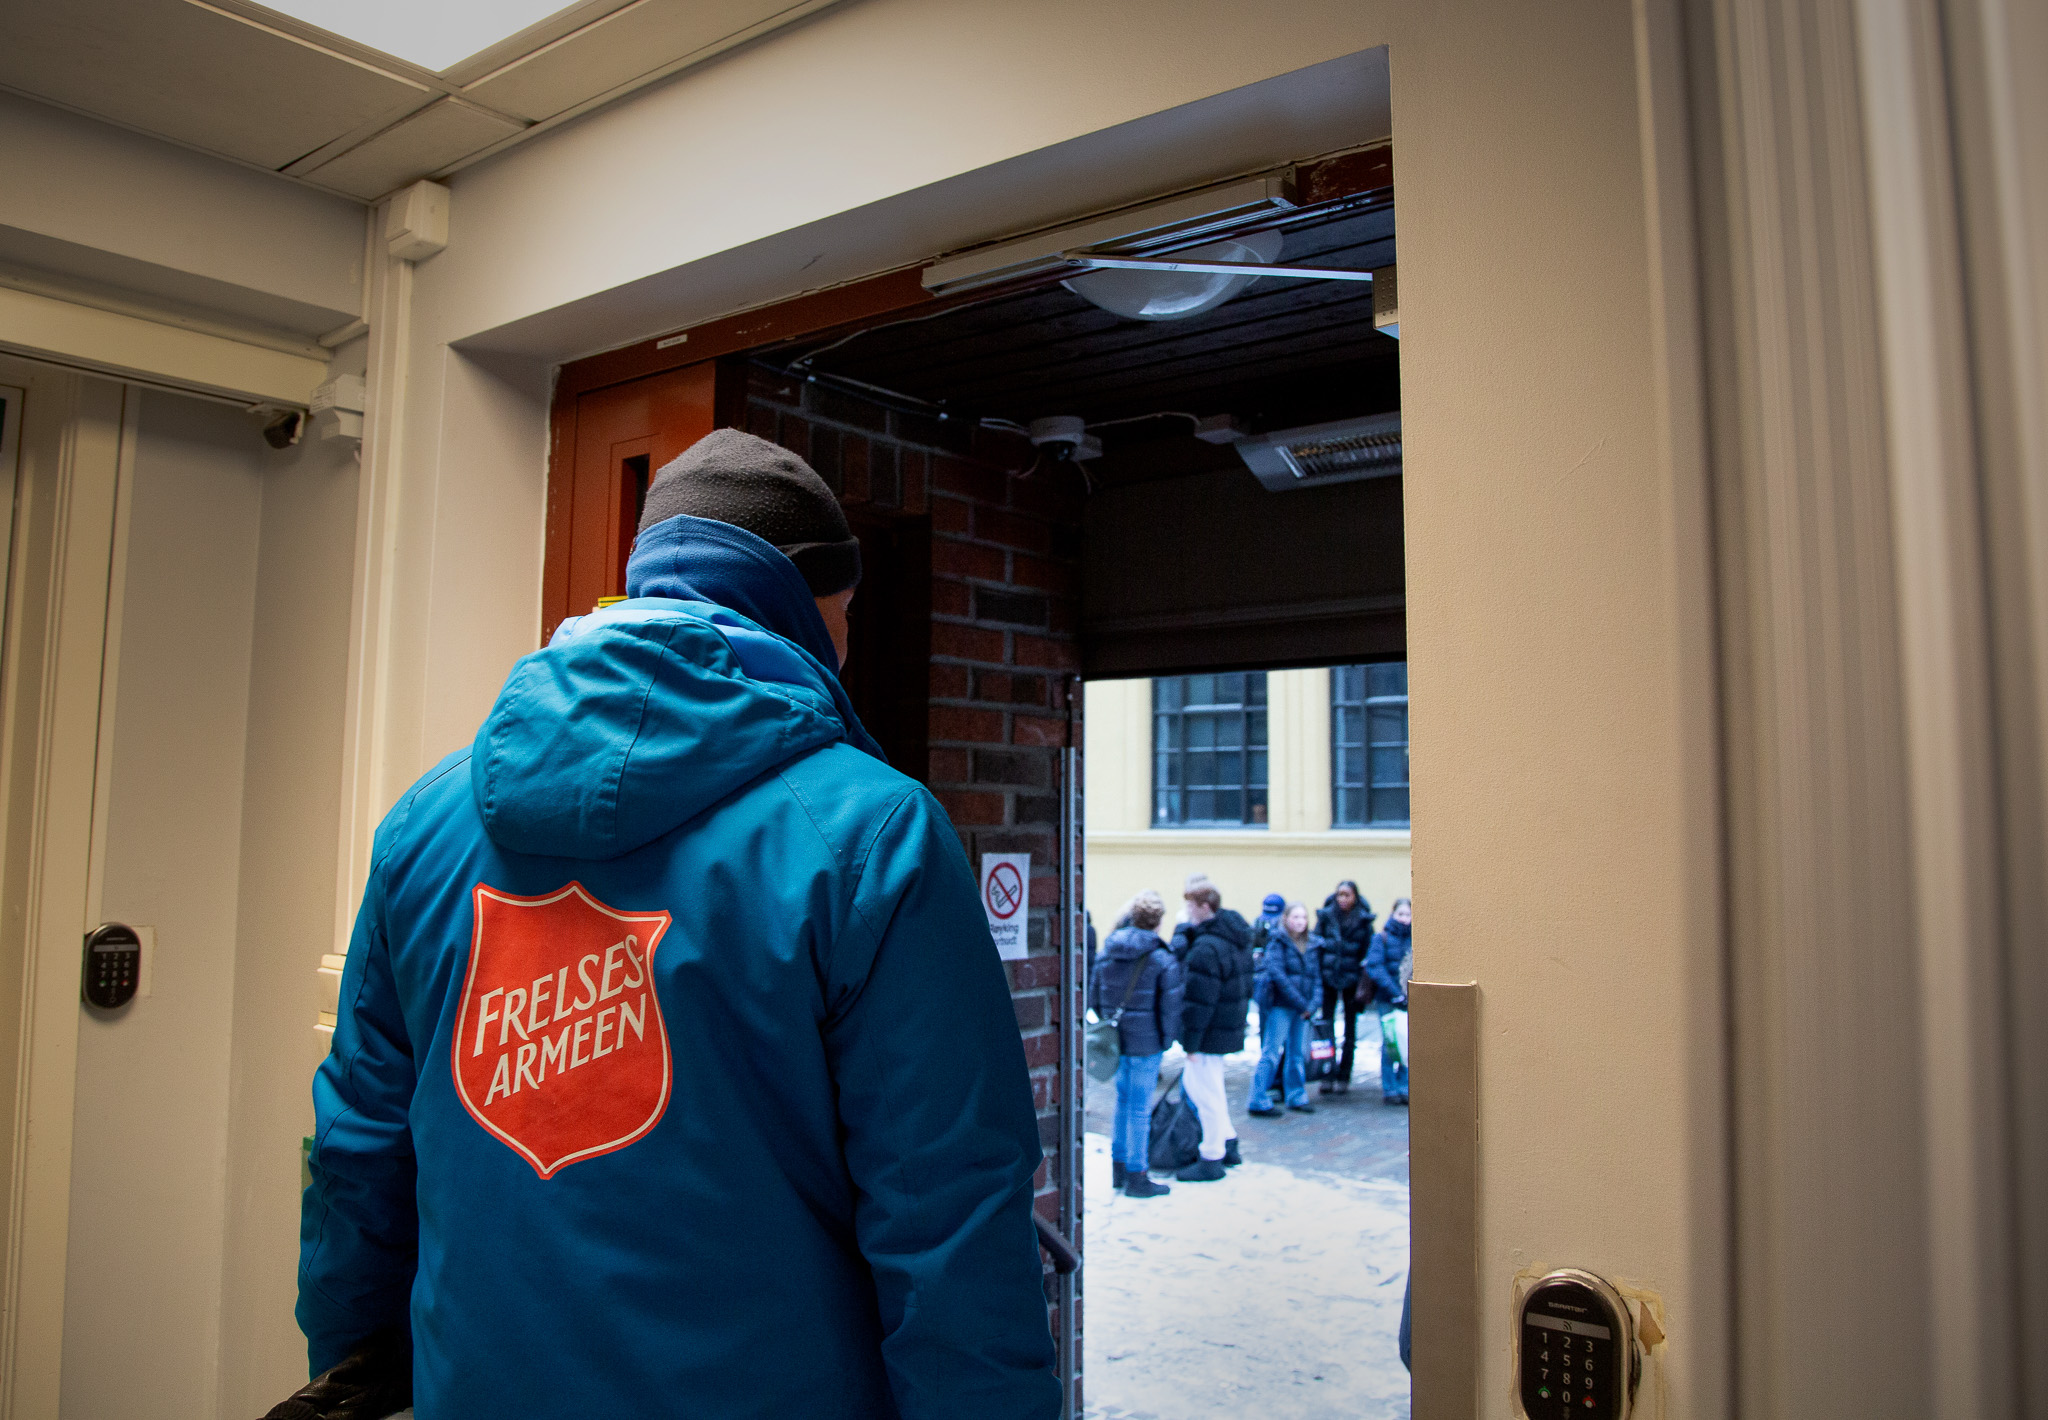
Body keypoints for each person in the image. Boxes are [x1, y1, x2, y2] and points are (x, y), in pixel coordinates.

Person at [286, 429, 1060, 1420]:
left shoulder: (423, 826)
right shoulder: (869, 835)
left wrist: (349, 1370)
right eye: (849, 609)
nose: (849, 636)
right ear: (800, 601)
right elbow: (949, 1219)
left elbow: (359, 1157)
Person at [1089, 890, 1183, 1199]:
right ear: (1158, 921)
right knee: (1140, 1108)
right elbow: (1169, 1007)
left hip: (1117, 1041)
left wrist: (1110, 1026)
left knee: (1123, 1102)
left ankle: (1119, 1168)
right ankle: (1137, 1175)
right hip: (1147, 1043)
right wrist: (1166, 1040)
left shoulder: (1109, 950)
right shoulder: (1161, 958)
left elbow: (1095, 996)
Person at [1172, 880, 1255, 1182]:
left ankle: (1212, 1155)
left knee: (1202, 1091)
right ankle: (1228, 1143)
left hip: (1208, 1033)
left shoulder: (1207, 947)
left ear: (1204, 907)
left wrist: (1191, 1043)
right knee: (1212, 1087)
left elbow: (1198, 1002)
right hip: (1226, 1026)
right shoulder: (1234, 935)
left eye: (1190, 906)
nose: (1187, 912)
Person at [1246, 903, 1322, 1117]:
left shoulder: (1312, 943)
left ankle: (1296, 1096)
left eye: (1303, 917)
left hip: (1303, 1009)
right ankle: (1257, 1098)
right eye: (1295, 917)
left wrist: (1314, 1003)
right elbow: (1278, 975)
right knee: (1271, 1052)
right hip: (1281, 1006)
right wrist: (1302, 1003)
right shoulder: (1277, 942)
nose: (1300, 921)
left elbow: (1316, 977)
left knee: (1297, 1054)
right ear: (1286, 919)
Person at [1313, 879, 1377, 1095]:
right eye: (1340, 894)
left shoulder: (1363, 919)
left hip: (1353, 981)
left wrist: (1362, 980)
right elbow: (1317, 946)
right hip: (1329, 977)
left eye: (1347, 894)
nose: (1342, 898)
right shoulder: (1326, 916)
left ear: (1355, 897)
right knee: (1326, 1027)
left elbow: (1367, 952)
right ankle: (1327, 1073)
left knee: (1350, 1030)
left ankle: (1344, 1075)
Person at [1365, 897, 1414, 1104]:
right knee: (1390, 1043)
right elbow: (1375, 966)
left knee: (1408, 1043)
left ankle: (1405, 1085)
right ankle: (1390, 1088)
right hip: (1388, 998)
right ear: (1393, 914)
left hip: (1410, 1000)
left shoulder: (1416, 938)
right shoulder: (1382, 937)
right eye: (1400, 914)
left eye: (1408, 914)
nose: (1404, 919)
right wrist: (1395, 992)